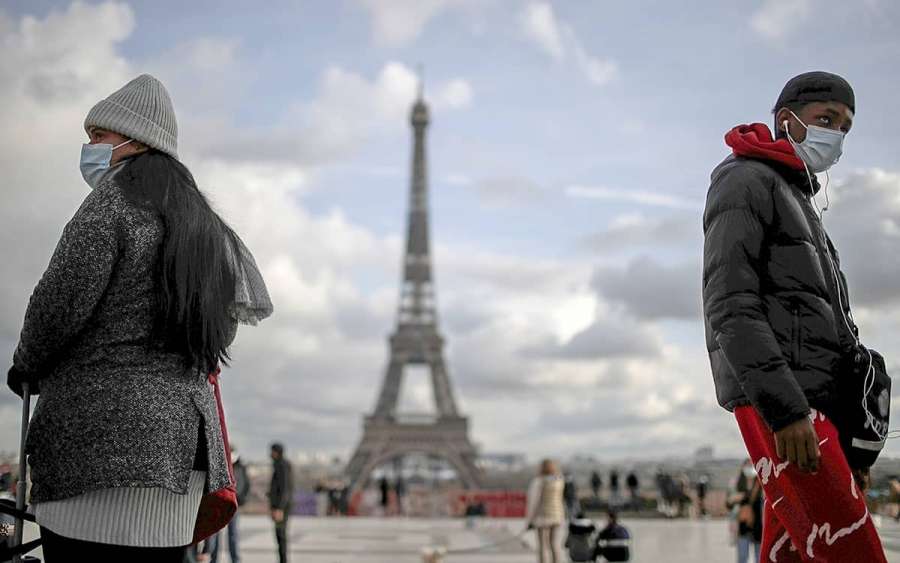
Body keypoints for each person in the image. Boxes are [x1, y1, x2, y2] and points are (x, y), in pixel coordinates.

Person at [5, 74, 272, 562]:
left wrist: (25, 364)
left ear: (135, 141)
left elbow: (57, 307)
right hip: (177, 457)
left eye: (98, 137)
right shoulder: (207, 228)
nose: (89, 147)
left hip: (93, 452)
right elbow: (220, 331)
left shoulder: (111, 205)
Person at [703, 71, 888, 561]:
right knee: (852, 553)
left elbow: (832, 327)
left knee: (792, 552)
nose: (836, 136)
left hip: (809, 402)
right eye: (825, 119)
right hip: (787, 402)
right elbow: (729, 300)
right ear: (788, 121)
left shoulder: (797, 198)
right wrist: (786, 411)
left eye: (845, 127)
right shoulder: (745, 178)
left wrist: (853, 439)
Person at [207, 445, 250, 563]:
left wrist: (241, 499)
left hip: (235, 504)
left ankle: (235, 560)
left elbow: (245, 484)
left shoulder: (240, 466)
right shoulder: (220, 464)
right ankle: (213, 559)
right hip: (220, 504)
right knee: (214, 534)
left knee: (233, 535)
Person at [526, 459, 566, 563]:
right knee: (555, 545)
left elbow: (533, 501)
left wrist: (529, 519)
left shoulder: (539, 481)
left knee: (543, 546)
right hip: (557, 515)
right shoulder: (559, 481)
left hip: (542, 516)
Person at [726, 459, 763, 563]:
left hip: (758, 525)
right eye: (747, 466)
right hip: (742, 525)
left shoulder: (761, 483)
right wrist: (732, 499)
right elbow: (728, 504)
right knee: (742, 556)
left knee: (759, 557)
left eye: (752, 466)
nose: (750, 468)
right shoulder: (736, 484)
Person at [269, 443, 293, 563]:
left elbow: (283, 488)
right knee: (280, 535)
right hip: (281, 506)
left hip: (281, 507)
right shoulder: (282, 464)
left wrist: (279, 508)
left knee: (281, 535)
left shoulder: (281, 465)